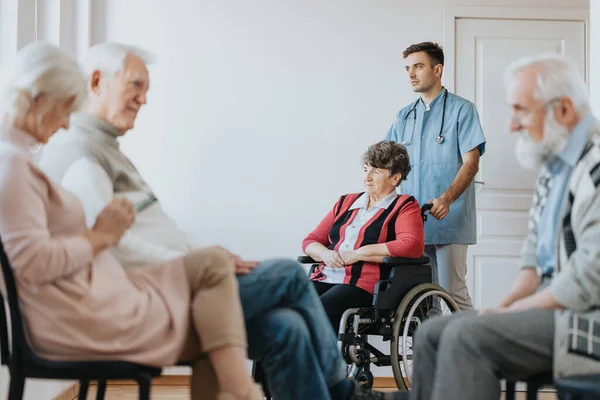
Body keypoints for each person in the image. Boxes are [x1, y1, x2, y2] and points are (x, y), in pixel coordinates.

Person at [39, 42, 404, 400]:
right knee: (291, 275)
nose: (144, 98)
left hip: (175, 283)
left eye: (147, 89)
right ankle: (344, 393)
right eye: (136, 85)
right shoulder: (82, 153)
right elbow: (110, 243)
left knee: (286, 328)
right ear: (97, 82)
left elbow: (410, 246)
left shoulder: (105, 150)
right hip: (150, 295)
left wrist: (207, 253)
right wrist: (200, 264)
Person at [0, 41, 263, 400]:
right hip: (80, 318)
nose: (65, 125)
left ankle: (240, 389)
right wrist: (101, 235)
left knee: (220, 294)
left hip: (90, 302)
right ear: (39, 98)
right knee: (239, 310)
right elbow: (31, 263)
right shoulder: (12, 166)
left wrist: (100, 235)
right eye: (65, 110)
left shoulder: (17, 161)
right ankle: (243, 391)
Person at [396, 54, 600, 400]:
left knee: (465, 336)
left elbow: (588, 277)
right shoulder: (553, 170)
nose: (512, 125)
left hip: (583, 319)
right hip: (557, 309)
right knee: (433, 331)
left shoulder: (593, 168)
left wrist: (519, 310)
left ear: (563, 110)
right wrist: (502, 307)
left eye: (521, 110)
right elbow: (533, 265)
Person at [385, 42, 486, 310]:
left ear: (437, 69)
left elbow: (471, 163)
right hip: (412, 222)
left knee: (454, 293)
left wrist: (447, 199)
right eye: (408, 68)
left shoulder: (462, 110)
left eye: (418, 66)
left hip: (449, 217)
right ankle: (432, 352)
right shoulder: (404, 116)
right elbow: (387, 167)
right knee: (422, 298)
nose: (411, 74)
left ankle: (468, 351)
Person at [303, 140, 425, 332]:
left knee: (315, 312)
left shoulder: (404, 205)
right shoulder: (346, 202)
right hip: (325, 276)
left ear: (395, 178)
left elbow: (412, 245)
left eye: (376, 171)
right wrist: (326, 254)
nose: (367, 177)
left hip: (363, 284)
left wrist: (359, 253)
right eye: (366, 169)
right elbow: (310, 241)